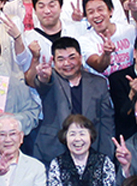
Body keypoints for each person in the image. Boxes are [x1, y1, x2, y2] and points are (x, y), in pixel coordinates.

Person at [33, 36, 115, 166]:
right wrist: (43, 78)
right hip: (53, 150)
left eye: (72, 57)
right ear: (54, 61)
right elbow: (42, 84)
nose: (67, 63)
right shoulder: (51, 77)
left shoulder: (99, 83)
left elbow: (107, 123)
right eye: (61, 59)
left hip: (91, 151)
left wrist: (106, 156)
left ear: (80, 58)